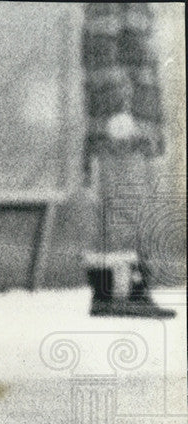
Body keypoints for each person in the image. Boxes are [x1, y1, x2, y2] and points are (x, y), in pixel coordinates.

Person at [81, 2, 176, 319]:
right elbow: (100, 53)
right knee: (125, 205)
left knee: (125, 205)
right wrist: (117, 111)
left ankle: (110, 291)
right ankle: (124, 292)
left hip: (135, 124)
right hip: (122, 124)